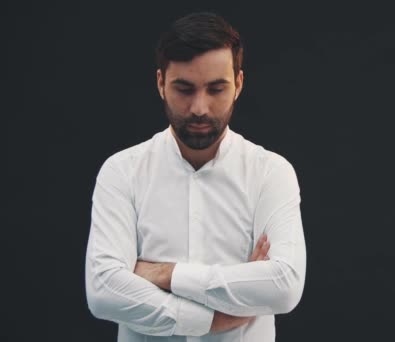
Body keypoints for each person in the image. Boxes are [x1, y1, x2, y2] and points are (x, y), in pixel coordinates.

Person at [84, 11, 306, 342]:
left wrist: (161, 274)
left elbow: (284, 286)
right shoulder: (122, 171)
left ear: (239, 84)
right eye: (184, 88)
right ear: (160, 83)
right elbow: (103, 291)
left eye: (216, 89)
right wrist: (213, 316)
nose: (199, 107)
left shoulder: (271, 173)